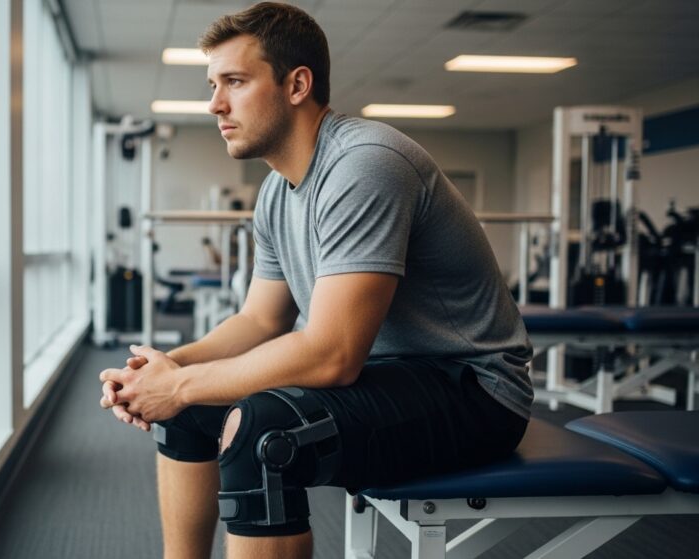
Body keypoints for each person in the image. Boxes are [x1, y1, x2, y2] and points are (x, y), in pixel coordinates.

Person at [98, 3, 533, 558]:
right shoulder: (278, 192)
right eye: (213, 84)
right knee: (190, 410)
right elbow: (259, 320)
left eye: (234, 81)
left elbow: (332, 355)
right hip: (389, 377)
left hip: (473, 392)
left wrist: (179, 384)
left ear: (297, 84)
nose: (215, 104)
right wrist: (165, 370)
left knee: (264, 435)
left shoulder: (363, 163)